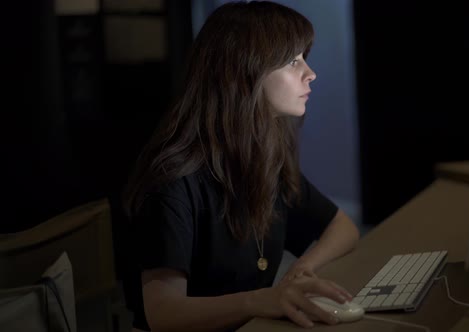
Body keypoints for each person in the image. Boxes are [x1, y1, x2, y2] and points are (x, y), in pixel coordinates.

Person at [122, 1, 360, 331]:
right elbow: (163, 313)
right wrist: (263, 300)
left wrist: (303, 269)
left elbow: (343, 228)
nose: (310, 73)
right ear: (245, 72)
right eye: (293, 61)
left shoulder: (264, 159)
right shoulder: (173, 179)